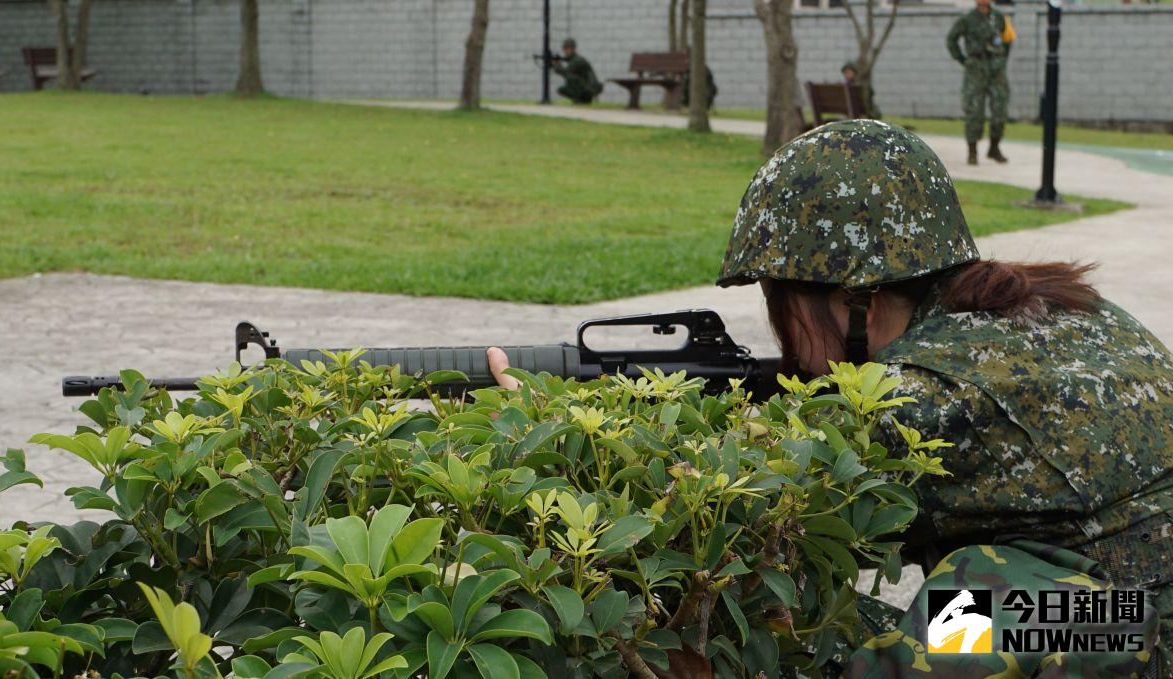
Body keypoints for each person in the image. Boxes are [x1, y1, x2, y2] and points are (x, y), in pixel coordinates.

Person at [489, 120, 1172, 676]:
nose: (783, 336)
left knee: (902, 626)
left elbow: (724, 511)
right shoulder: (1053, 307)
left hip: (1125, 634)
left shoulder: (919, 393)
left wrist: (550, 433)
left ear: (855, 303)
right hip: (1118, 615)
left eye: (783, 303)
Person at [947, 0, 1014, 165]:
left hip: (996, 69)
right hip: (976, 69)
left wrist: (1002, 58)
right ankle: (972, 151)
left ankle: (994, 147)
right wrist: (963, 60)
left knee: (1000, 108)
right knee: (974, 110)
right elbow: (951, 39)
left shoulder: (999, 17)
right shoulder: (967, 19)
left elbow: (1007, 38)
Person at [553, 38, 603, 105]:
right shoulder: (573, 59)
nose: (566, 51)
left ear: (573, 49)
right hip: (586, 87)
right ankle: (579, 100)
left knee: (571, 78)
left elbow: (566, 73)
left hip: (589, 89)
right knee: (562, 89)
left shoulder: (577, 60)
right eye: (565, 49)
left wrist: (557, 64)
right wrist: (555, 64)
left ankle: (582, 100)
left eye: (568, 48)